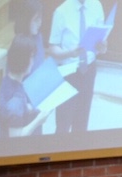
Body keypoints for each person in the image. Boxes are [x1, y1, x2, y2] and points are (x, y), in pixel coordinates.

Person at [49, 0, 107, 133]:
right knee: (63, 122)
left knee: (82, 120)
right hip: (68, 73)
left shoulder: (96, 6)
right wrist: (69, 53)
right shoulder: (61, 12)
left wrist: (102, 47)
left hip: (89, 69)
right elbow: (52, 48)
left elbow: (101, 40)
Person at [0, 34, 41, 138]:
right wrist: (39, 120)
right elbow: (16, 137)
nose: (33, 61)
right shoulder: (15, 100)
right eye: (31, 57)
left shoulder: (7, 80)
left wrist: (28, 108)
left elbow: (11, 112)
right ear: (23, 60)